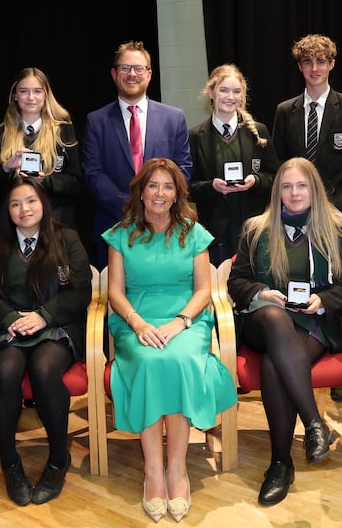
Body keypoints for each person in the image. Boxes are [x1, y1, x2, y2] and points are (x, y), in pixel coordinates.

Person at [102, 158, 237, 523]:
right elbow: (114, 292)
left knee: (176, 360)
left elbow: (203, 290)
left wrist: (181, 322)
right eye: (153, 186)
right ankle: (153, 471)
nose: (160, 193)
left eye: (167, 186)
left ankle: (176, 470)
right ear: (141, 192)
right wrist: (137, 323)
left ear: (177, 193)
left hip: (186, 319)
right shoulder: (121, 233)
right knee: (148, 360)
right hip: (136, 318)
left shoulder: (193, 231)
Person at [227, 157, 342, 507]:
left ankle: (280, 463)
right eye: (286, 186)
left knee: (274, 364)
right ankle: (315, 423)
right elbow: (236, 280)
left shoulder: (337, 226)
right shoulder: (257, 228)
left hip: (313, 323)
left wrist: (321, 301)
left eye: (301, 185)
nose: (294, 192)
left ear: (314, 188)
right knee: (273, 317)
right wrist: (260, 293)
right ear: (277, 191)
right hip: (263, 321)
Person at [0, 178, 91, 506]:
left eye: (30, 201)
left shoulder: (67, 238)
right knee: (7, 371)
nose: (24, 209)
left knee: (43, 369)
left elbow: (81, 291)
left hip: (54, 325)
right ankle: (10, 463)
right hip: (9, 327)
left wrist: (42, 316)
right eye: (15, 204)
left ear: (43, 204)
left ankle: (57, 460)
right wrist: (9, 319)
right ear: (7, 211)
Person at [83, 40, 192, 267]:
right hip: (114, 228)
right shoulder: (96, 121)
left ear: (149, 74)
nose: (131, 74)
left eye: (138, 68)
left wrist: (154, 205)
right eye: (125, 68)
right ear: (114, 74)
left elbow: (183, 170)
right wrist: (132, 207)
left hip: (166, 230)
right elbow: (93, 174)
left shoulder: (174, 118)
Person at [271, 34, 342, 254]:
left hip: (338, 206)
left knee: (339, 270)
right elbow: (278, 161)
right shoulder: (285, 111)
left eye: (321, 61)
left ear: (331, 64)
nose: (314, 68)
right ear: (300, 66)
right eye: (308, 62)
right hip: (296, 208)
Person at [188, 64, 279, 265]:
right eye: (224, 90)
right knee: (218, 286)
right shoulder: (195, 136)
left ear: (242, 95)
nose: (230, 97)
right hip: (214, 230)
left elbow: (276, 177)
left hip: (253, 226)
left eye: (236, 91)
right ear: (211, 92)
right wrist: (211, 186)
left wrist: (255, 181)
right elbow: (188, 186)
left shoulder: (259, 132)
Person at [0, 67, 82, 229]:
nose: (31, 97)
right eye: (24, 91)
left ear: (46, 94)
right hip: (14, 226)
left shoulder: (63, 129)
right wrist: (7, 168)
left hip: (56, 223)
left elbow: (76, 183)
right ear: (15, 96)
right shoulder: (0, 134)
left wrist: (45, 180)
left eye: (37, 91)